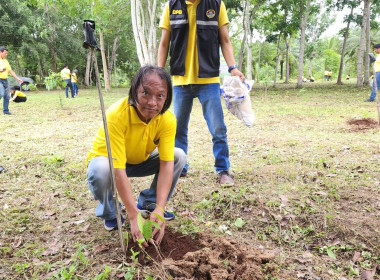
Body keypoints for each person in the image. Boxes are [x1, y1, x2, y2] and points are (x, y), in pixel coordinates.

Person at [86, 65, 186, 246]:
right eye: (145, 93)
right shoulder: (117, 115)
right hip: (109, 162)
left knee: (178, 156)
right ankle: (111, 213)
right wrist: (133, 215)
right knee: (100, 170)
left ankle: (149, 204)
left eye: (160, 96)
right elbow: (117, 168)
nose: (152, 102)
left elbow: (166, 164)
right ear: (134, 92)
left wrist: (160, 209)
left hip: (139, 160)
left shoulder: (167, 120)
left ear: (167, 97)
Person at [158, 0, 245, 186]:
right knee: (178, 129)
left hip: (208, 80)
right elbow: (164, 44)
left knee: (218, 128)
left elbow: (225, 40)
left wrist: (233, 68)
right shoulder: (171, 6)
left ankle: (223, 170)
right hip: (180, 82)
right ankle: (180, 167)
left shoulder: (216, 4)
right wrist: (158, 73)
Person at [0, 46, 24, 115]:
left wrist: (17, 78)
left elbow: (10, 71)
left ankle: (6, 111)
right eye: (5, 53)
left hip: (5, 80)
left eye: (7, 53)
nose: (6, 55)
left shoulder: (6, 61)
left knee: (7, 96)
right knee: (1, 93)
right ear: (0, 52)